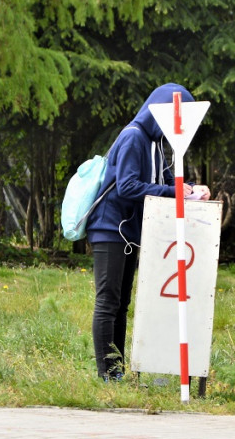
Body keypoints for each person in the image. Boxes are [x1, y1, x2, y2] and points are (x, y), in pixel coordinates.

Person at [84, 83, 211, 381]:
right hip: (108, 228)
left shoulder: (154, 144)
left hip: (127, 232)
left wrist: (190, 189)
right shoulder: (133, 137)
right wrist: (175, 190)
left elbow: (167, 181)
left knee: (122, 304)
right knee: (108, 302)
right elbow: (127, 187)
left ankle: (118, 370)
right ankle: (107, 375)